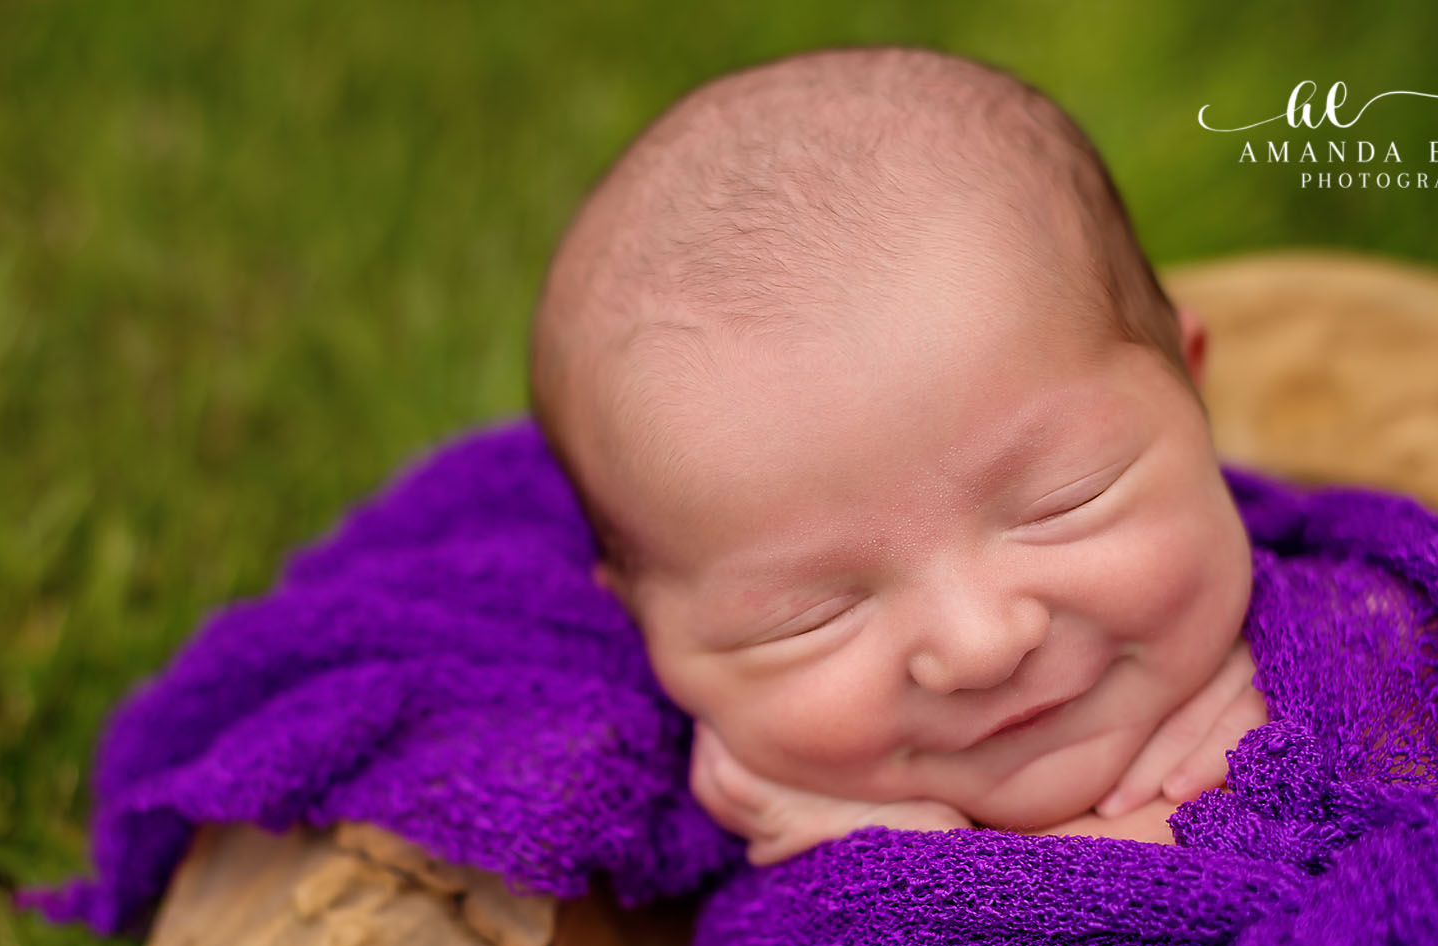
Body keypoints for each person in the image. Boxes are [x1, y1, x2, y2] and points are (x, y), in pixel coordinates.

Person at [529, 44, 1269, 865]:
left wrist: (1345, 678)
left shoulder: (1362, 624)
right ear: (643, 627)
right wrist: (931, 872)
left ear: (1194, 391)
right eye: (809, 616)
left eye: (1066, 500)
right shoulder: (788, 870)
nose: (979, 647)